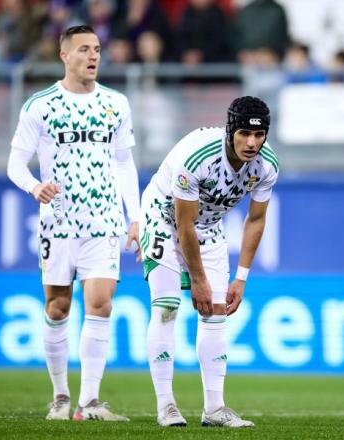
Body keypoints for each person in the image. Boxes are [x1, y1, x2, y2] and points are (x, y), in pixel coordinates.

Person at [6, 24, 141, 422]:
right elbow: (15, 163)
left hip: (103, 221)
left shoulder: (116, 104)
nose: (93, 56)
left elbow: (124, 163)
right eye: (83, 49)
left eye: (97, 48)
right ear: (64, 56)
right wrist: (34, 187)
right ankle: (61, 396)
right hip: (59, 223)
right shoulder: (40, 105)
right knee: (59, 306)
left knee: (100, 304)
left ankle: (90, 402)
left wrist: (134, 218)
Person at [140, 96, 278, 427]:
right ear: (230, 131)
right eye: (244, 133)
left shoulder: (267, 166)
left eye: (259, 136)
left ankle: (214, 409)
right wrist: (199, 281)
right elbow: (182, 224)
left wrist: (241, 278)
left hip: (209, 226)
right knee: (167, 306)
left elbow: (256, 220)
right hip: (163, 217)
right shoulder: (198, 157)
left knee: (216, 313)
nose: (252, 143)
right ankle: (166, 405)